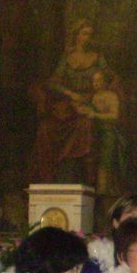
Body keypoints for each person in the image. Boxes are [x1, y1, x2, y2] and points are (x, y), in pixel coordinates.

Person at [30, 19, 113, 186]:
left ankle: (85, 181)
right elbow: (54, 82)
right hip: (68, 102)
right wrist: (70, 94)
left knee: (85, 124)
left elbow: (108, 79)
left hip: (91, 101)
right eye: (84, 34)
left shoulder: (97, 58)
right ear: (77, 36)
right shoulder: (67, 58)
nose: (87, 38)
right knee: (47, 129)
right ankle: (53, 178)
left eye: (90, 34)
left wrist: (93, 95)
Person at [75, 69, 127, 198]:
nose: (96, 83)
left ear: (105, 82)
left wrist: (95, 115)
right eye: (94, 81)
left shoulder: (111, 96)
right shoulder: (94, 97)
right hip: (95, 134)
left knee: (105, 161)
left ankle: (104, 191)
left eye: (99, 80)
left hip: (108, 134)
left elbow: (114, 116)